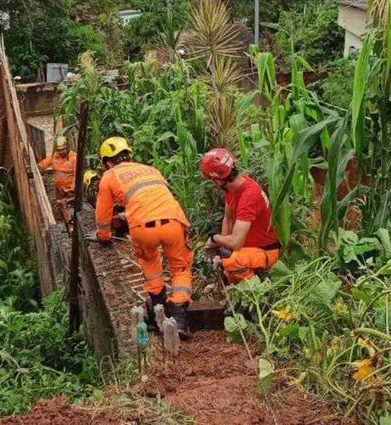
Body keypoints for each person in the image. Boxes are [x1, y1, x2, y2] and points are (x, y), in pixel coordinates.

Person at [90, 136, 193, 338]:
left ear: (107, 162)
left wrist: (103, 236)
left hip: (142, 228)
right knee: (180, 268)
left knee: (151, 267)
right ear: (128, 154)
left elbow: (102, 215)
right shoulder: (150, 169)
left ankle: (158, 313)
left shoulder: (109, 176)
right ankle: (179, 320)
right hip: (173, 220)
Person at [200, 148, 281, 284]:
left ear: (218, 180)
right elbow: (228, 217)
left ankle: (256, 290)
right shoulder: (232, 187)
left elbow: (236, 243)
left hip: (265, 251)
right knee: (226, 265)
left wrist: (214, 239)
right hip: (247, 247)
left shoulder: (248, 196)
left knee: (232, 263)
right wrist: (222, 248)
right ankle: (237, 282)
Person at [38, 136, 77, 200]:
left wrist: (72, 190)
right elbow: (43, 164)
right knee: (59, 205)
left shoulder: (74, 158)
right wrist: (37, 167)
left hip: (70, 191)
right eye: (59, 150)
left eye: (63, 149)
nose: (61, 152)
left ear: (67, 147)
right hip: (59, 189)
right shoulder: (55, 156)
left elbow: (77, 176)